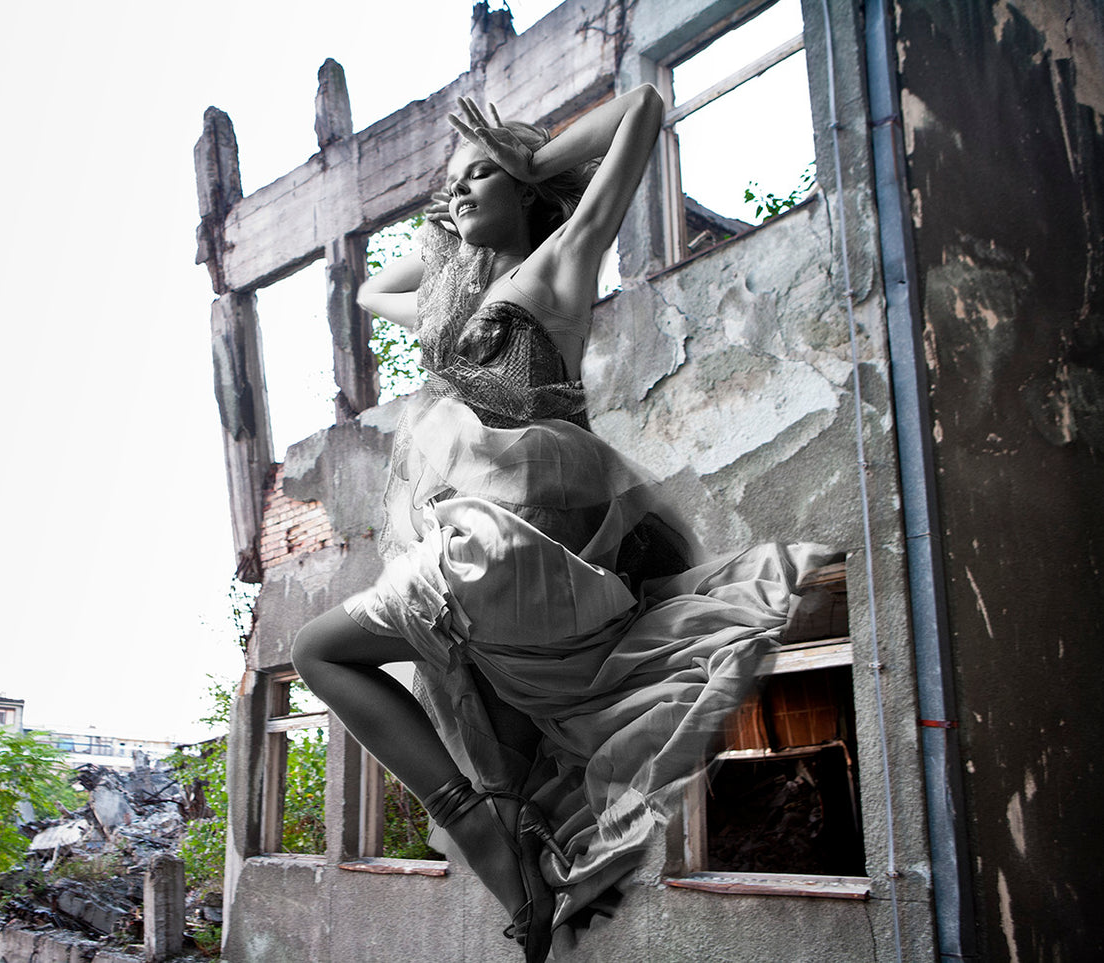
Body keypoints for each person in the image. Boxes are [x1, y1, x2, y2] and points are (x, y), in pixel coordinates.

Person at [291, 88, 834, 962]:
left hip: (509, 540)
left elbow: (644, 108)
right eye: (451, 186)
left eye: (479, 181)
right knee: (484, 707)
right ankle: (520, 876)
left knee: (321, 650)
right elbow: (367, 289)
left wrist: (523, 158)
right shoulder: (449, 297)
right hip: (487, 546)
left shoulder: (556, 267)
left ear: (527, 193)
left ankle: (480, 833)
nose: (461, 193)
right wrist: (460, 202)